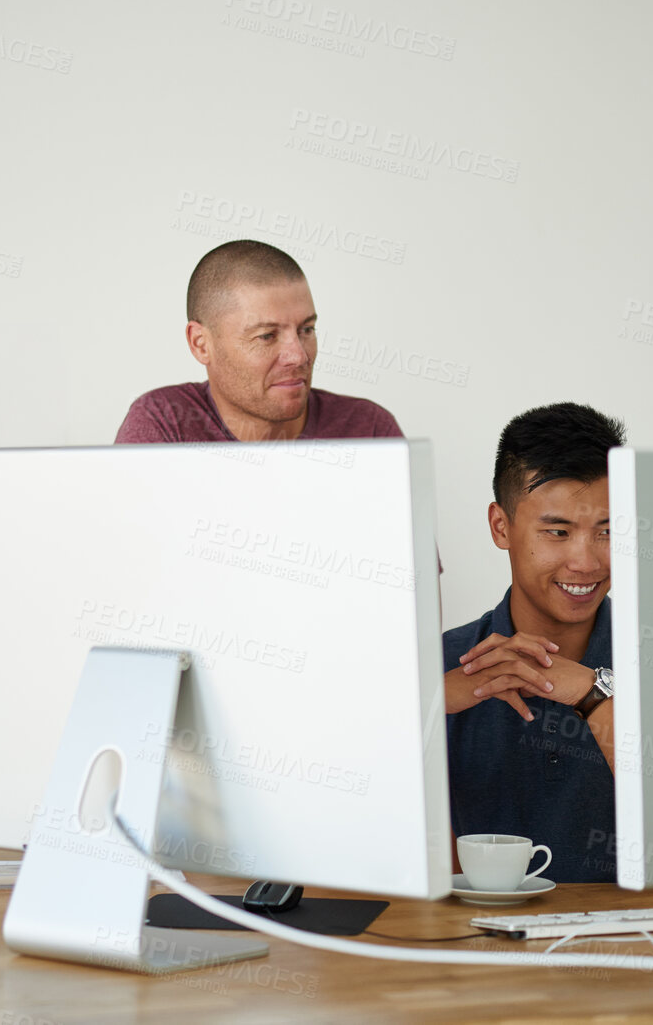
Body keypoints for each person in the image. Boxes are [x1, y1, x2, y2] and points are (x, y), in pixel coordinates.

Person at [442, 402, 625, 883]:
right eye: (558, 532)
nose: (586, 562)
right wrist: (425, 702)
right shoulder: (441, 667)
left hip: (636, 942)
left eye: (607, 531)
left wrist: (594, 694)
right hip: (472, 947)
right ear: (501, 527)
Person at [115, 240, 404, 443]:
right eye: (267, 336)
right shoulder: (165, 424)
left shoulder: (370, 429)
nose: (299, 357)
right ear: (201, 344)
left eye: (306, 329)